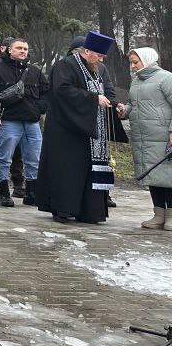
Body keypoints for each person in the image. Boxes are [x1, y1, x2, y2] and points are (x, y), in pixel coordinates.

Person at [37, 32, 126, 224]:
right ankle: (63, 209)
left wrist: (113, 104)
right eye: (99, 55)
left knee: (88, 170)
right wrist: (93, 99)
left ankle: (89, 211)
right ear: (87, 52)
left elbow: (105, 91)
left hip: (91, 130)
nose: (101, 60)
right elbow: (62, 91)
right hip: (67, 130)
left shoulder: (97, 68)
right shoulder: (65, 65)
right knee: (68, 170)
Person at [0, 37, 49, 208]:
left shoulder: (35, 71)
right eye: (19, 48)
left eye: (25, 49)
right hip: (9, 121)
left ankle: (31, 194)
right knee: (3, 158)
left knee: (34, 159)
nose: (23, 51)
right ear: (9, 50)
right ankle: (4, 194)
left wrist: (39, 109)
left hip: (32, 122)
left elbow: (46, 93)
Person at [122, 48, 172, 229]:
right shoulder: (136, 81)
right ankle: (158, 215)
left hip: (164, 137)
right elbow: (132, 104)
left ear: (147, 60)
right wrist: (124, 110)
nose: (133, 66)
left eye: (135, 62)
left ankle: (171, 215)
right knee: (152, 174)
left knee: (168, 175)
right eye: (131, 62)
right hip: (143, 138)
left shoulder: (166, 78)